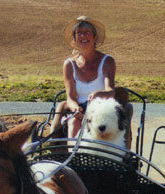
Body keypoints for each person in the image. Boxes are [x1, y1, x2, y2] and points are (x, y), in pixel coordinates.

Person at [51, 16, 132, 148]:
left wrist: (99, 93)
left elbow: (110, 91)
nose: (83, 35)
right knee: (73, 123)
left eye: (87, 32)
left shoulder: (107, 61)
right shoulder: (69, 64)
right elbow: (70, 98)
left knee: (103, 123)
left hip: (102, 109)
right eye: (79, 33)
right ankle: (74, 158)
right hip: (80, 110)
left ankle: (107, 156)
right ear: (75, 38)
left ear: (94, 37)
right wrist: (75, 108)